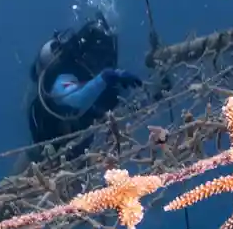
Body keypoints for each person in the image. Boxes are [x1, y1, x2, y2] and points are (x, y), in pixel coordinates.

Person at [24, 12, 147, 154]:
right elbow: (75, 99)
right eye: (99, 56)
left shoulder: (89, 77)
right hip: (52, 149)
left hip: (81, 147)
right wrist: (106, 77)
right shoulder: (61, 78)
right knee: (31, 159)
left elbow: (128, 100)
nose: (102, 61)